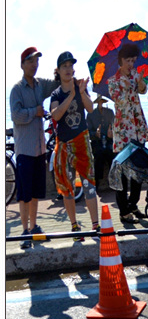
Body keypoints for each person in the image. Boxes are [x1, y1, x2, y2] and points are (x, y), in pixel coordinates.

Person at [9, 47, 58, 248]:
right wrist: (35, 111)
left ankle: (34, 226)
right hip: (25, 150)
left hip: (39, 149)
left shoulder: (40, 85)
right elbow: (16, 116)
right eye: (30, 61)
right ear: (22, 65)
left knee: (36, 192)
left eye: (36, 61)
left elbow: (55, 86)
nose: (34, 65)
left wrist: (59, 74)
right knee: (24, 195)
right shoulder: (16, 89)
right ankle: (24, 232)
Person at [48, 51, 100, 237]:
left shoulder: (80, 87)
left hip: (82, 143)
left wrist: (81, 92)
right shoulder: (56, 94)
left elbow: (90, 108)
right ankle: (74, 226)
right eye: (64, 66)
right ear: (58, 70)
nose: (68, 69)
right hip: (64, 145)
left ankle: (95, 225)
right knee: (67, 188)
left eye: (71, 66)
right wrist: (70, 96)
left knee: (89, 185)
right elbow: (55, 115)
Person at [109, 42, 148, 222]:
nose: (131, 64)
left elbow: (143, 91)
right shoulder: (113, 81)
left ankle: (133, 204)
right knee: (122, 172)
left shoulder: (135, 75)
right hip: (123, 131)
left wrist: (140, 82)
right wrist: (127, 85)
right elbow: (119, 101)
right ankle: (123, 211)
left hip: (138, 127)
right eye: (128, 60)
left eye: (133, 60)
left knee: (138, 170)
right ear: (121, 60)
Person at [86, 94, 115, 188]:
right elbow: (88, 132)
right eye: (99, 102)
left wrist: (112, 133)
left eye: (102, 101)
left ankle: (114, 181)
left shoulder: (110, 112)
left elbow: (115, 127)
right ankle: (97, 183)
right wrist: (95, 134)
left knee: (113, 154)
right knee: (98, 155)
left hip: (109, 140)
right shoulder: (91, 114)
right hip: (97, 141)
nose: (100, 104)